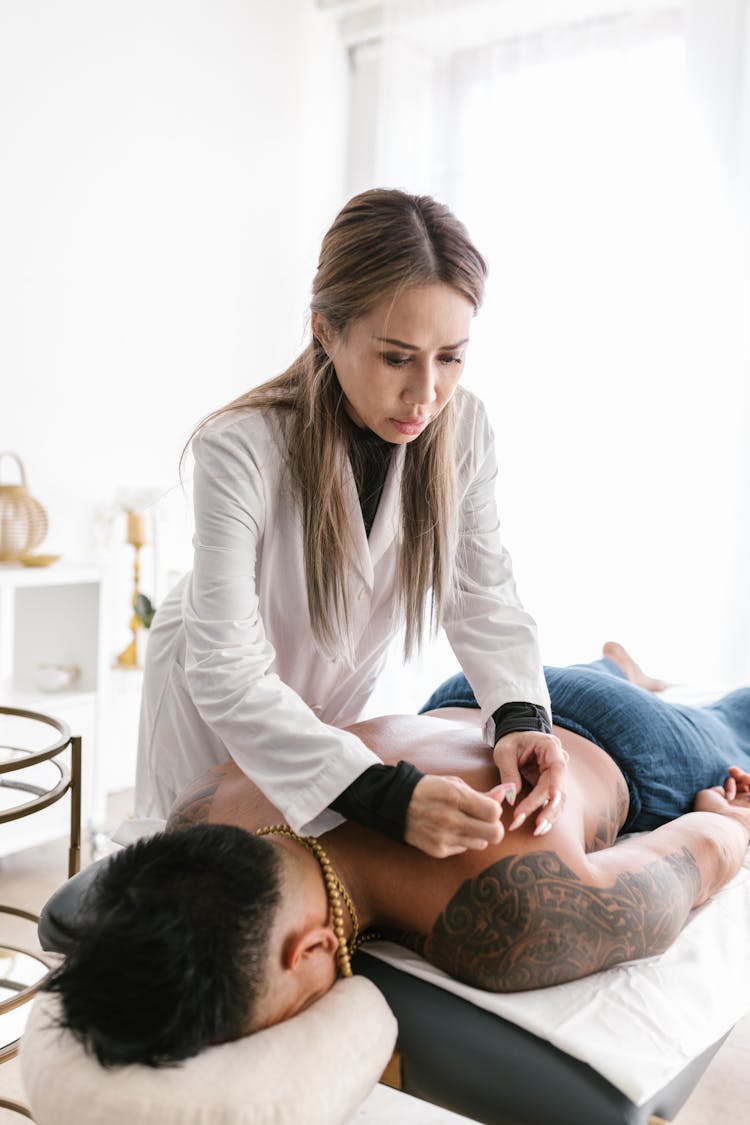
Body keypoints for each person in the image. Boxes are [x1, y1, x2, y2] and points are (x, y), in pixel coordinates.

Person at [47, 646, 750, 1067]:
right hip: (468, 694)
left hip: (621, 741)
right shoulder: (205, 802)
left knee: (729, 719)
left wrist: (723, 814)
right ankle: (617, 664)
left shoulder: (511, 913)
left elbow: (704, 852)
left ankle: (630, 679)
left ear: (312, 947)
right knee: (599, 676)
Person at [135, 188, 567, 858]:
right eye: (397, 357)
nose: (426, 393)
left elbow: (483, 593)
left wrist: (520, 718)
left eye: (450, 356)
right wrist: (383, 796)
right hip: (209, 707)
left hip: (329, 723)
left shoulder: (464, 432)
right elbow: (226, 669)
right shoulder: (240, 448)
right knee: (188, 885)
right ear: (325, 329)